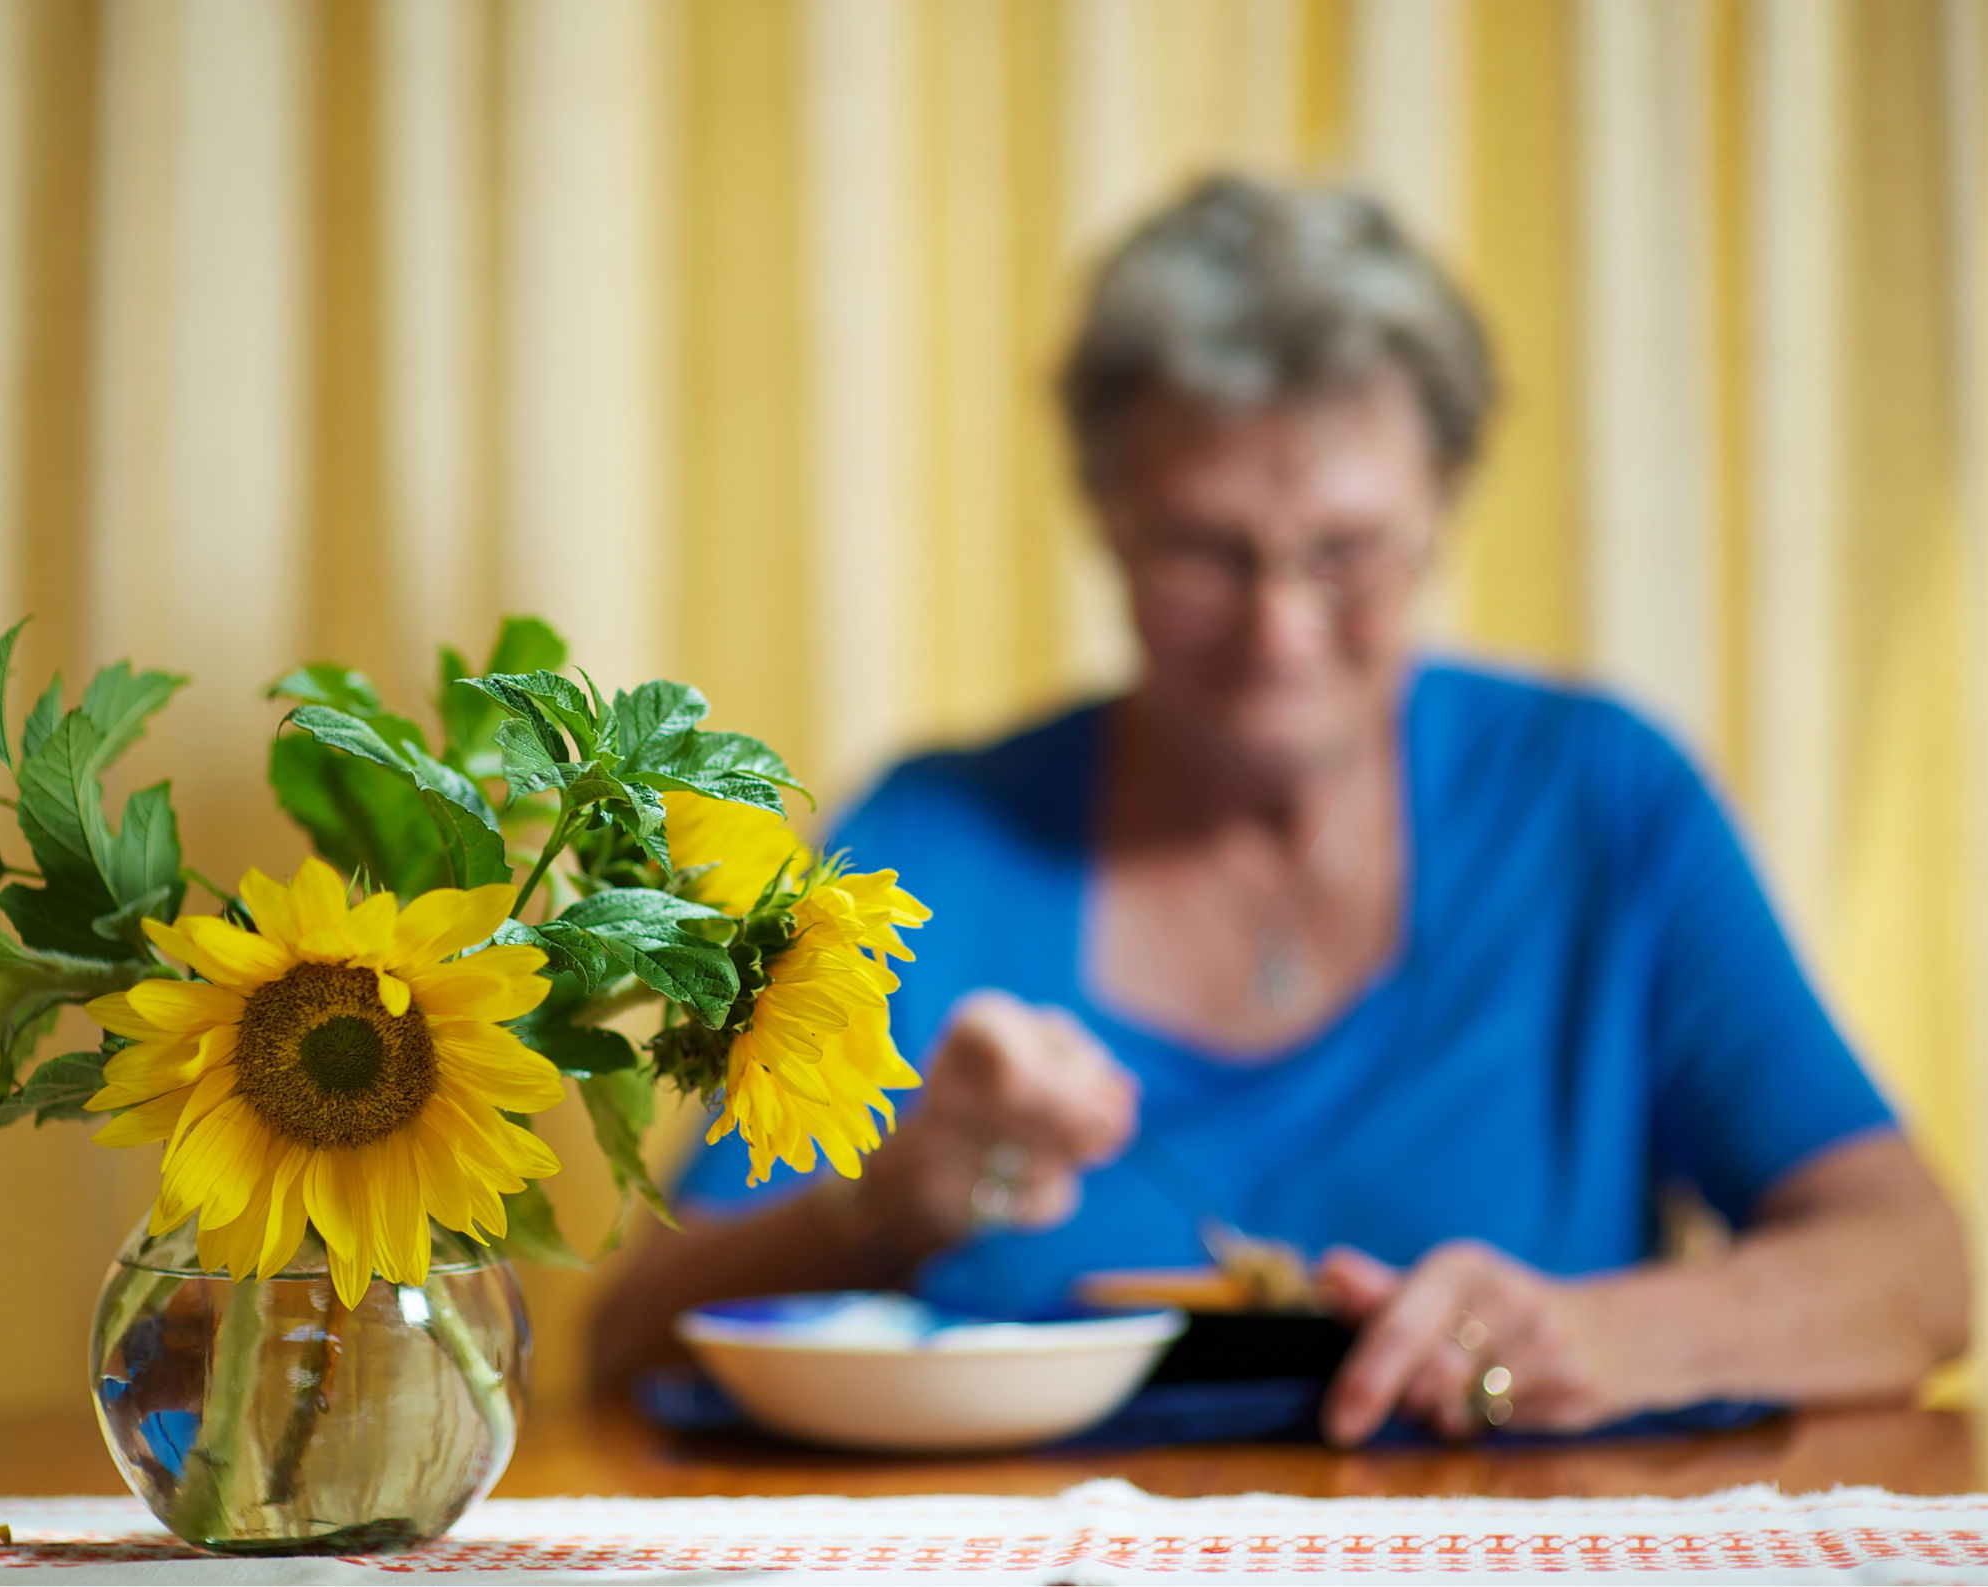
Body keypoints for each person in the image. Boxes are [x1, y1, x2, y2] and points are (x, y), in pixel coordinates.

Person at [589, 176, 1967, 1443]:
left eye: (1343, 552)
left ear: (1440, 515)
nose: (1278, 631)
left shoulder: (1598, 804)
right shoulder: (933, 837)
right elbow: (632, 1339)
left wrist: (1593, 1335)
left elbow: (1913, 1269)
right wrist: (881, 1210)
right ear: (1108, 521)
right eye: (1204, 551)